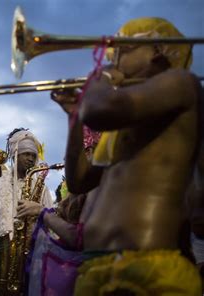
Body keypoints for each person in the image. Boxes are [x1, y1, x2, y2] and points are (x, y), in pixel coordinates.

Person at [53, 17, 202, 294]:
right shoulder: (121, 121)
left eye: (122, 48)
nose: (112, 57)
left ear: (157, 49)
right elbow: (79, 182)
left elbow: (100, 111)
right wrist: (75, 117)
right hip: (96, 266)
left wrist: (101, 79)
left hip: (149, 266)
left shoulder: (181, 83)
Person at [0, 128, 54, 294]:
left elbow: (51, 225)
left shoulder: (43, 189)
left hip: (29, 265)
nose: (31, 159)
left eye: (33, 155)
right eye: (26, 154)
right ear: (15, 154)